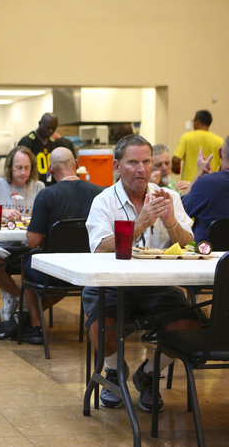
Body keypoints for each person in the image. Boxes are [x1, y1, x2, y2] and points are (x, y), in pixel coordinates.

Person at [83, 134, 199, 413]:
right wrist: (140, 223)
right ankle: (112, 370)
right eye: (133, 162)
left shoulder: (168, 196)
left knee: (189, 326)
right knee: (100, 327)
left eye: (146, 162)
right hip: (112, 284)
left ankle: (150, 374)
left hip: (158, 285)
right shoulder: (103, 201)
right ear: (116, 166)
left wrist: (170, 222)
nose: (141, 169)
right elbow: (99, 248)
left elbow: (190, 244)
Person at [0, 147, 103, 343]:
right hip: (86, 270)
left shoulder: (47, 194)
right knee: (64, 279)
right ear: (76, 165)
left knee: (28, 261)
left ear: (50, 170)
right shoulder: (100, 193)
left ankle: (35, 325)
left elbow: (33, 241)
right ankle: (26, 315)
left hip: (53, 270)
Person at [0, 146, 45, 322]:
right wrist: (0, 212)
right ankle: (20, 297)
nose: (23, 172)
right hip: (1, 244)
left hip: (29, 245)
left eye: (27, 168)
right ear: (10, 167)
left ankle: (24, 305)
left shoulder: (38, 187)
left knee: (38, 262)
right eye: (19, 167)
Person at [182, 134, 229, 243]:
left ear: (220, 152)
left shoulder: (204, 184)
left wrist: (200, 174)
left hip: (209, 257)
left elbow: (180, 212)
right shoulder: (206, 184)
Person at [172, 110, 223, 181]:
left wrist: (176, 170)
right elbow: (223, 165)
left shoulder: (186, 137)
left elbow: (176, 160)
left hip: (188, 185)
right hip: (210, 184)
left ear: (197, 122)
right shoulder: (220, 141)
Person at [17, 113, 58, 186]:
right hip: (32, 185)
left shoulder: (52, 142)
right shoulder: (27, 141)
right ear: (40, 124)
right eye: (48, 128)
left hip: (49, 184)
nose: (51, 131)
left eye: (54, 128)